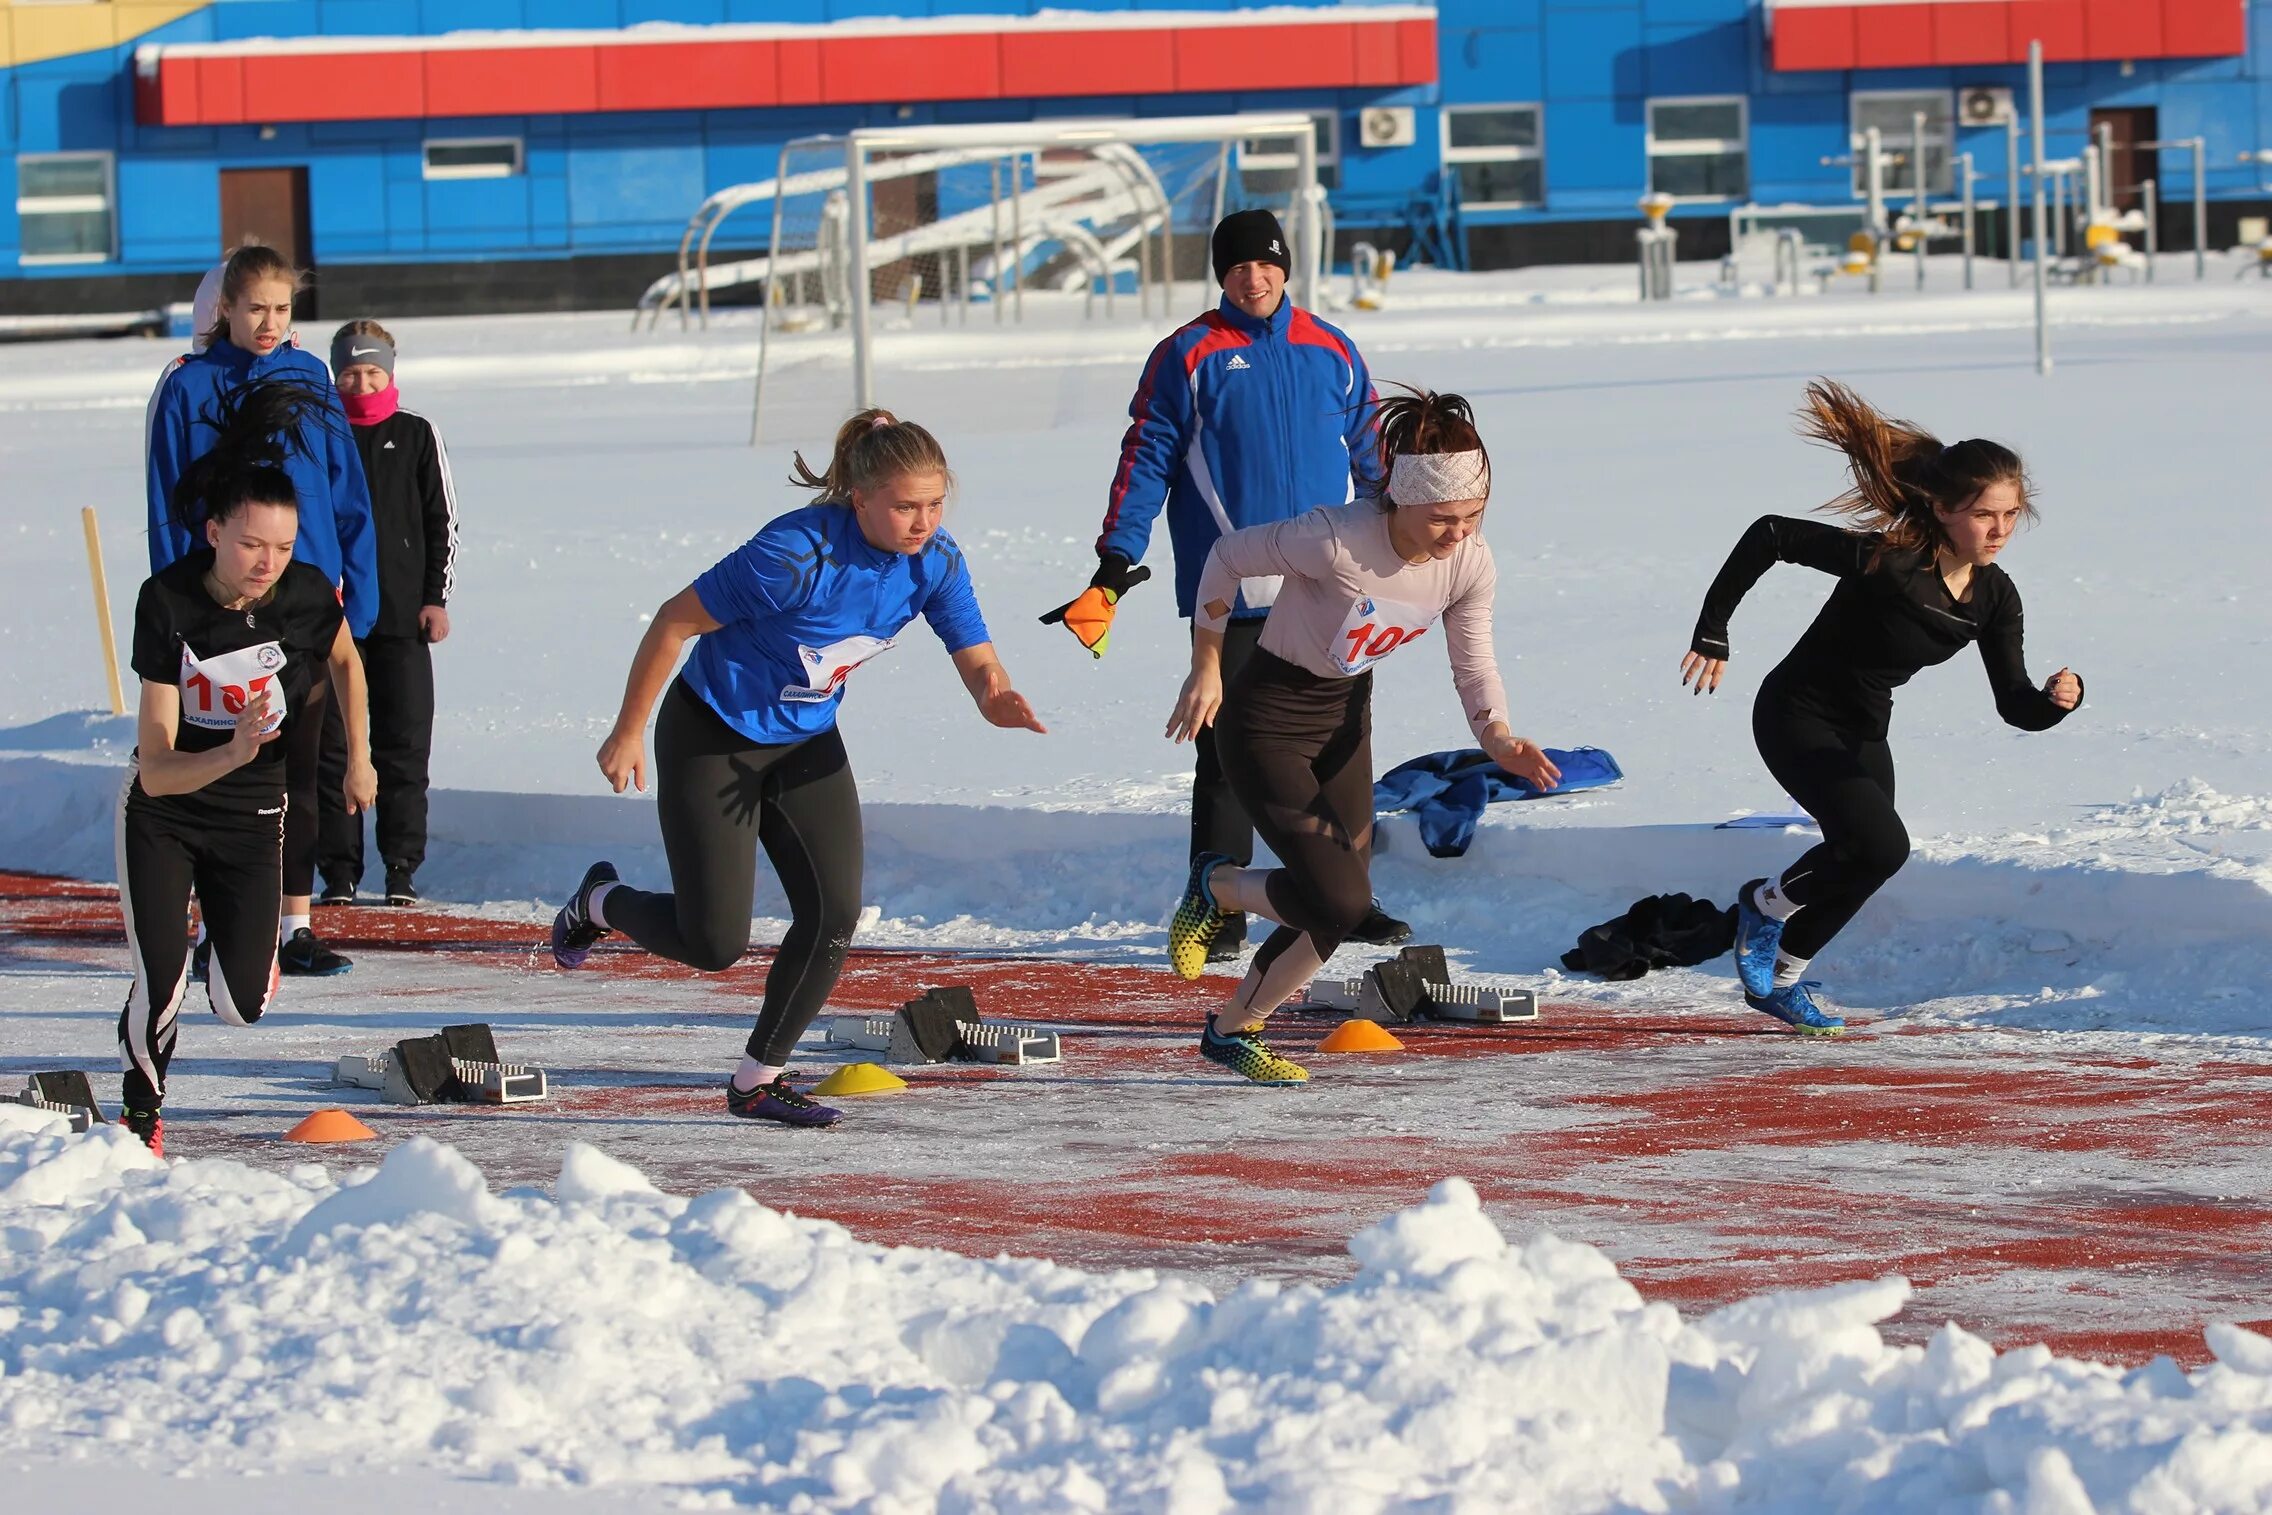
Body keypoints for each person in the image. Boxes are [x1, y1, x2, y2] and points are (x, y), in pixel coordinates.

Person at [548, 410, 1045, 1126]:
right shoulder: (795, 554)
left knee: (834, 910)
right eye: (905, 506)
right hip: (712, 733)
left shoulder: (935, 561)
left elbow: (975, 653)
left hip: (806, 742)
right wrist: (628, 730)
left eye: (935, 504)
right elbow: (673, 621)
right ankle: (599, 901)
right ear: (860, 497)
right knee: (714, 943)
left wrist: (994, 696)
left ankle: (757, 1078)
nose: (922, 521)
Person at [1162, 389, 1561, 1085]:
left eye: (1473, 515)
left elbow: (1474, 659)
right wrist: (1207, 664)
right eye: (1443, 517)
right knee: (1342, 898)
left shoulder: (1470, 562)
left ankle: (1231, 1030)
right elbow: (1227, 556)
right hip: (1266, 722)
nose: (1458, 533)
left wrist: (1497, 736)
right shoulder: (1335, 538)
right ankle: (1216, 883)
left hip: (1345, 717)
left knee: (1337, 901)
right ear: (1402, 500)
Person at [1053, 208, 1407, 964]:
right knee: (1229, 758)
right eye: (1236, 266)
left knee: (1339, 749)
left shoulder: (1332, 349)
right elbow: (1146, 457)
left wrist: (1405, 537)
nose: (1253, 277)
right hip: (1234, 589)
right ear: (1220, 276)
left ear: (1286, 267)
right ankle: (1214, 911)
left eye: (1265, 263)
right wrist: (1115, 563)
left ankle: (1337, 896)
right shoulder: (1188, 354)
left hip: (1331, 587)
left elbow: (1374, 457)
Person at [1680, 380, 2083, 1034]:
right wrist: (1714, 628)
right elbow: (1772, 534)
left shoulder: (1995, 598)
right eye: (1987, 514)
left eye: (2011, 515)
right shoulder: (1890, 563)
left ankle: (1782, 980)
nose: (2001, 529)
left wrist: (2058, 700)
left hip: (1864, 727)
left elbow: (2016, 705)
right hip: (1795, 712)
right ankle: (1762, 904)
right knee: (1881, 843)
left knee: (1869, 857)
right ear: (1946, 508)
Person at [116, 380, 378, 1154]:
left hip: (252, 817)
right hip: (163, 814)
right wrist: (230, 746)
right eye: (251, 544)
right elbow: (158, 768)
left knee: (240, 1007)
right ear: (213, 531)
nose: (268, 562)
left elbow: (346, 663)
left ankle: (226, 947)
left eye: (285, 547)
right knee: (158, 978)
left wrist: (358, 758)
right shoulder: (166, 603)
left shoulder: (301, 596)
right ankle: (142, 1108)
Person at [146, 244, 377, 977]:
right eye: (256, 308)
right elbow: (165, 502)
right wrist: (178, 605)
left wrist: (357, 589)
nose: (271, 321)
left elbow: (346, 487)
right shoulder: (189, 387)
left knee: (297, 771)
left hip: (304, 600)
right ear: (225, 310)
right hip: (214, 611)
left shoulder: (308, 376)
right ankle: (214, 916)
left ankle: (293, 925)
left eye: (282, 308)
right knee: (216, 766)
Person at [318, 320, 458, 906]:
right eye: (350, 372)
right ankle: (339, 871)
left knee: (404, 745)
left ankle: (401, 865)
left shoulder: (418, 434)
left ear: (390, 373)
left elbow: (441, 522)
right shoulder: (321, 433)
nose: (362, 381)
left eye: (372, 371)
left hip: (403, 617)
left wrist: (436, 598)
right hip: (332, 622)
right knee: (332, 749)